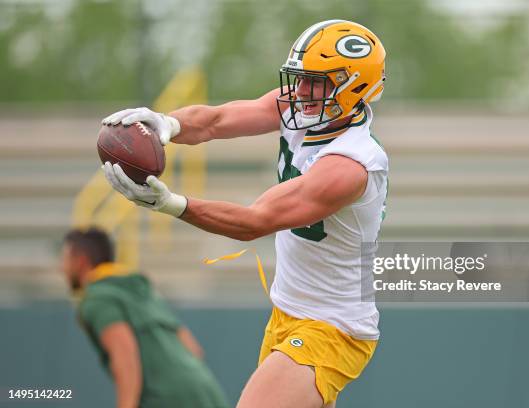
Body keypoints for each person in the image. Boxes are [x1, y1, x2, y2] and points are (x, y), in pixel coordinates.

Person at [101, 19, 387, 408]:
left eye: (315, 82)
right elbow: (218, 120)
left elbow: (255, 222)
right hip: (287, 310)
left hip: (332, 326)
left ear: (354, 87)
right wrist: (167, 123)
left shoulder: (351, 165)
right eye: (300, 79)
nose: (301, 92)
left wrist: (169, 204)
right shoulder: (306, 108)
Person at [61, 228, 229, 408]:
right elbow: (193, 349)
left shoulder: (98, 298)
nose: (61, 268)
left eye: (64, 259)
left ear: (80, 261)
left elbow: (124, 357)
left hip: (166, 400)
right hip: (206, 391)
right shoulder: (141, 289)